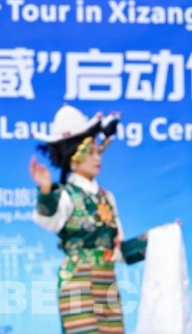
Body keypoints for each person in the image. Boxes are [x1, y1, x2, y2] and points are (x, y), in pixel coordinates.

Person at [29, 104, 178, 334]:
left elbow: (118, 252)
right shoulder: (66, 196)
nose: (97, 157)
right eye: (90, 153)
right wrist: (46, 190)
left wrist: (158, 239)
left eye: (98, 151)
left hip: (107, 282)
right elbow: (48, 218)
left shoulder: (106, 198)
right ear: (74, 158)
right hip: (77, 281)